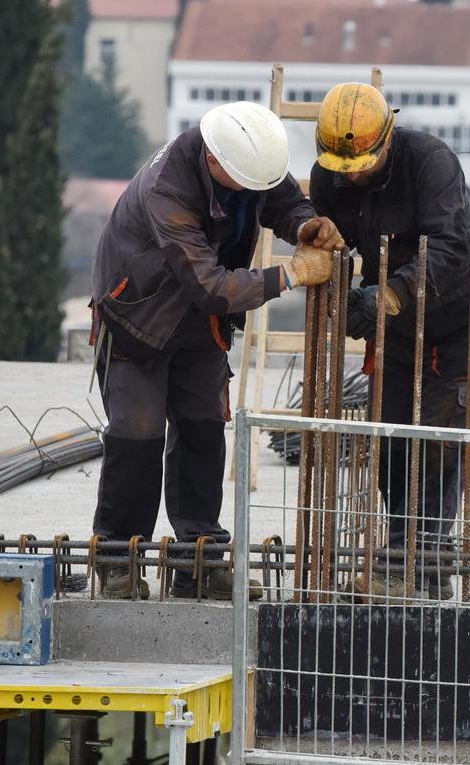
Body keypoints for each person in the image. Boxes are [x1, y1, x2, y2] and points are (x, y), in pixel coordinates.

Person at [89, 101, 344, 599]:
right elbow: (211, 285)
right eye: (246, 182)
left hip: (198, 321)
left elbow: (283, 200)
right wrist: (290, 274)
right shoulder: (171, 189)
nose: (255, 190)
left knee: (203, 428)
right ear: (213, 161)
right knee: (136, 435)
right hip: (137, 315)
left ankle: (198, 559)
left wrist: (305, 225)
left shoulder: (249, 161)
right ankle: (118, 557)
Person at [307, 82, 470, 600]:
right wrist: (343, 295)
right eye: (343, 167)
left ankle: (417, 567)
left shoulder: (430, 163)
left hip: (459, 313)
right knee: (391, 440)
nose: (352, 175)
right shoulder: (330, 175)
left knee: (438, 442)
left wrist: (386, 298)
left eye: (362, 164)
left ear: (387, 140)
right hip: (395, 322)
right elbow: (336, 246)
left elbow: (452, 249)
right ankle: (408, 567)